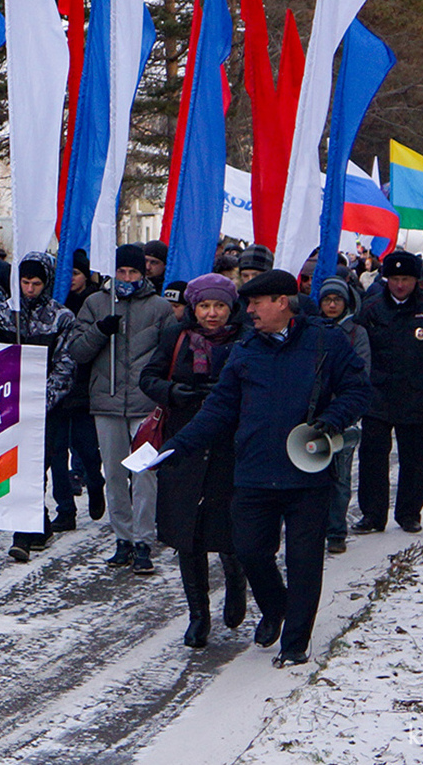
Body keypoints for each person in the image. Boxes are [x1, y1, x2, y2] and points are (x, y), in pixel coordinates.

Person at [163, 268, 370, 667]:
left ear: (282, 303)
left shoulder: (325, 342)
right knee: (250, 550)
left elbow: (357, 390)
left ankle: (294, 643)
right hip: (255, 471)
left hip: (306, 470)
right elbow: (219, 409)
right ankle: (276, 607)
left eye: (257, 303)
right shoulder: (245, 350)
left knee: (304, 559)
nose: (249, 310)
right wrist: (178, 446)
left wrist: (333, 417)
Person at [141, 274, 248, 648]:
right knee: (189, 534)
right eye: (204, 306)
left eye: (219, 306)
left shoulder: (245, 340)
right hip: (185, 444)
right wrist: (173, 391)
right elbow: (149, 377)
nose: (212, 314)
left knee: (230, 529)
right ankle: (198, 614)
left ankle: (236, 586)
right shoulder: (178, 337)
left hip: (229, 447)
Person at [66, 243, 171, 573]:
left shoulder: (159, 307)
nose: (127, 278)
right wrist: (99, 331)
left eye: (134, 272)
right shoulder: (96, 303)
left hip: (144, 402)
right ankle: (122, 538)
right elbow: (77, 351)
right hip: (107, 400)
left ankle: (143, 540)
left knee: (144, 475)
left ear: (144, 273)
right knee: (113, 474)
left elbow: (168, 353)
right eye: (122, 272)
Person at [355, 250, 423, 535]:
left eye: (406, 279)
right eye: (394, 279)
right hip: (377, 395)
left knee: (415, 458)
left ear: (416, 280)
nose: (400, 285)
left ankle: (408, 512)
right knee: (373, 457)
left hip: (419, 393)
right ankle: (372, 514)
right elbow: (354, 351)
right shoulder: (371, 309)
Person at [0, 251, 79, 561]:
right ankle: (33, 524)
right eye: (25, 282)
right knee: (13, 467)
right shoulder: (2, 314)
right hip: (9, 406)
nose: (29, 289)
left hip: (46, 408)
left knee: (38, 466)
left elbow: (66, 366)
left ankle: (24, 533)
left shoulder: (61, 318)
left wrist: (41, 401)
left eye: (36, 283)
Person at [313, 277, 371, 554]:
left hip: (344, 416)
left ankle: (336, 531)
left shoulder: (356, 333)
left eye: (337, 300)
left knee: (340, 475)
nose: (332, 305)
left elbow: (360, 372)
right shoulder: (313, 330)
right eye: (327, 300)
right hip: (314, 415)